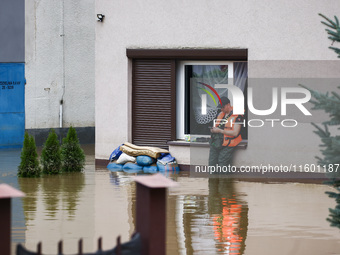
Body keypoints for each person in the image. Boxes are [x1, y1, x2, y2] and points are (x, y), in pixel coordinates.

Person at [209, 97, 243, 168]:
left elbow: (235, 133)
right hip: (216, 142)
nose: (221, 109)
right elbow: (217, 126)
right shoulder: (221, 114)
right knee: (212, 163)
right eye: (220, 107)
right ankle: (213, 179)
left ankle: (224, 179)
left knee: (223, 164)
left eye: (223, 107)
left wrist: (220, 131)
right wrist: (213, 130)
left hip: (228, 143)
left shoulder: (238, 115)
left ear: (228, 105)